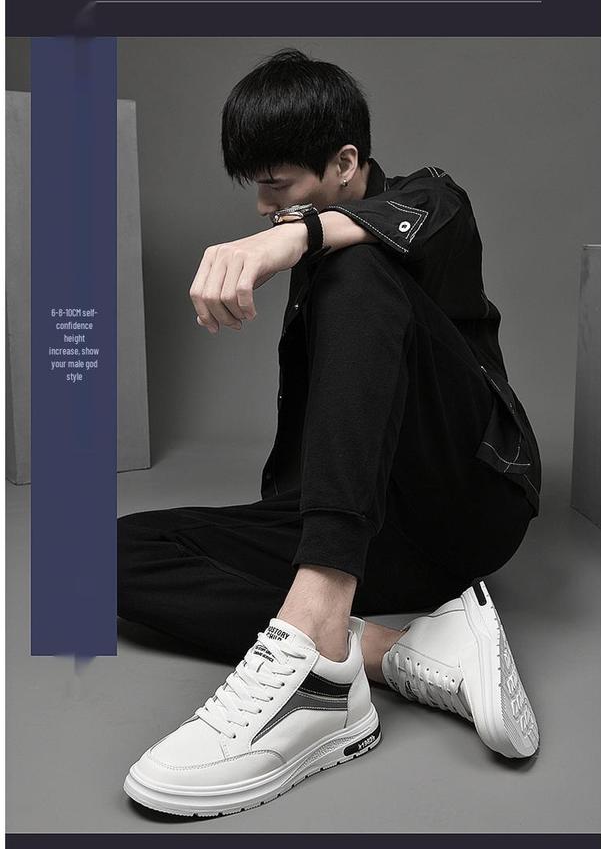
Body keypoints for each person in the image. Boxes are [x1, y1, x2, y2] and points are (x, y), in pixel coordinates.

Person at [118, 49, 542, 817]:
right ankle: (389, 652)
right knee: (102, 557)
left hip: (468, 503)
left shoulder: (431, 202)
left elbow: (415, 213)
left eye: (276, 185)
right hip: (365, 535)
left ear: (346, 163)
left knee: (357, 269)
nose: (262, 208)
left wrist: (296, 237)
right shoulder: (314, 245)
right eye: (256, 189)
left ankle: (315, 652)